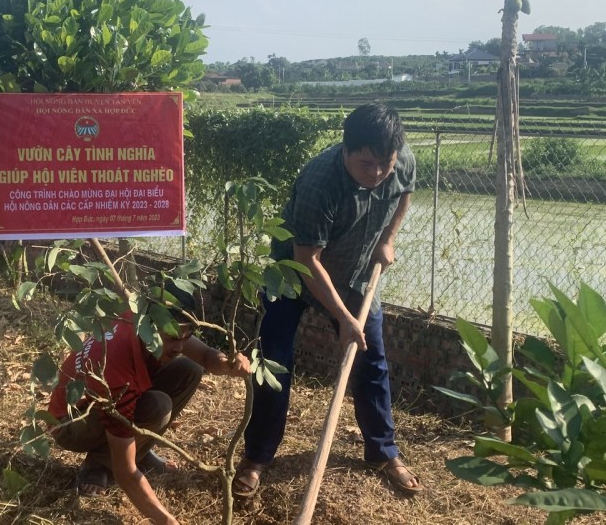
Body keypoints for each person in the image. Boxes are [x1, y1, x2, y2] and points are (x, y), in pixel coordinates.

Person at [233, 103, 424, 498]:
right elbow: (307, 260)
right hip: (294, 274)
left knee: (372, 360)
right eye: (365, 163)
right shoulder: (320, 182)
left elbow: (404, 193)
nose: (375, 173)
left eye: (383, 164)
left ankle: (382, 452)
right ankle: (257, 456)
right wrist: (343, 319)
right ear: (346, 150)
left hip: (354, 273)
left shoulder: (400, 160)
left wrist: (387, 239)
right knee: (275, 361)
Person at [48, 297, 251, 525]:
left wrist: (227, 364)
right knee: (157, 406)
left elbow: (205, 356)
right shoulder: (117, 376)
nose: (180, 347)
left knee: (189, 368)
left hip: (106, 395)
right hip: (70, 422)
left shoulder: (142, 317)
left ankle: (141, 452)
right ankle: (98, 463)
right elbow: (126, 474)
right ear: (150, 331)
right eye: (173, 339)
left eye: (185, 338)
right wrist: (166, 521)